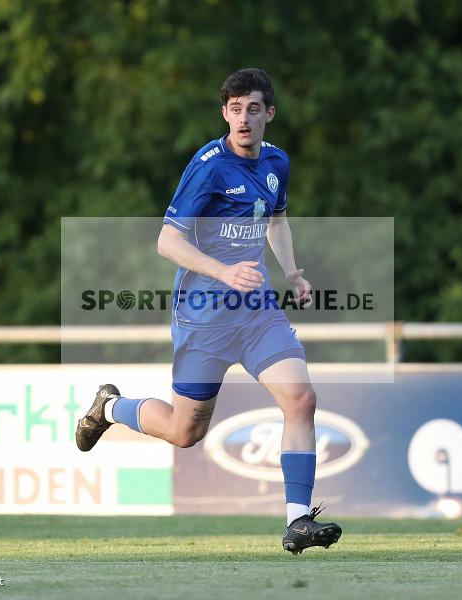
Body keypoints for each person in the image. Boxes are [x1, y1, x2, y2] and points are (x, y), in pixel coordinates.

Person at [75, 68, 341, 554]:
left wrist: (294, 272)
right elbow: (167, 241)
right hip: (204, 316)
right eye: (235, 109)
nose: (244, 119)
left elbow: (276, 218)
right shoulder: (208, 166)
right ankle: (110, 407)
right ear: (225, 114)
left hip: (256, 311)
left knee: (301, 399)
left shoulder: (277, 162)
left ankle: (297, 520)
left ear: (269, 115)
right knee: (184, 431)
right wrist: (223, 273)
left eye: (253, 109)